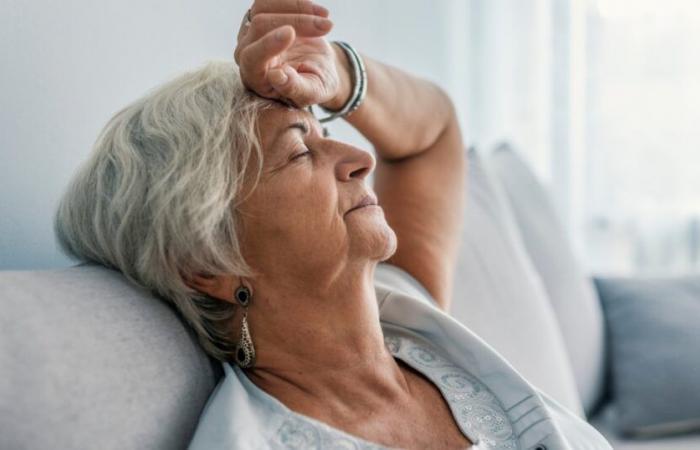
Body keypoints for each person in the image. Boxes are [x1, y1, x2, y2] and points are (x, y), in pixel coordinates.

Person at [55, 1, 613, 448]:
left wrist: (334, 73)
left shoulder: (405, 308)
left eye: (323, 133)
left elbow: (432, 133)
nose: (358, 157)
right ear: (207, 261)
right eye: (300, 153)